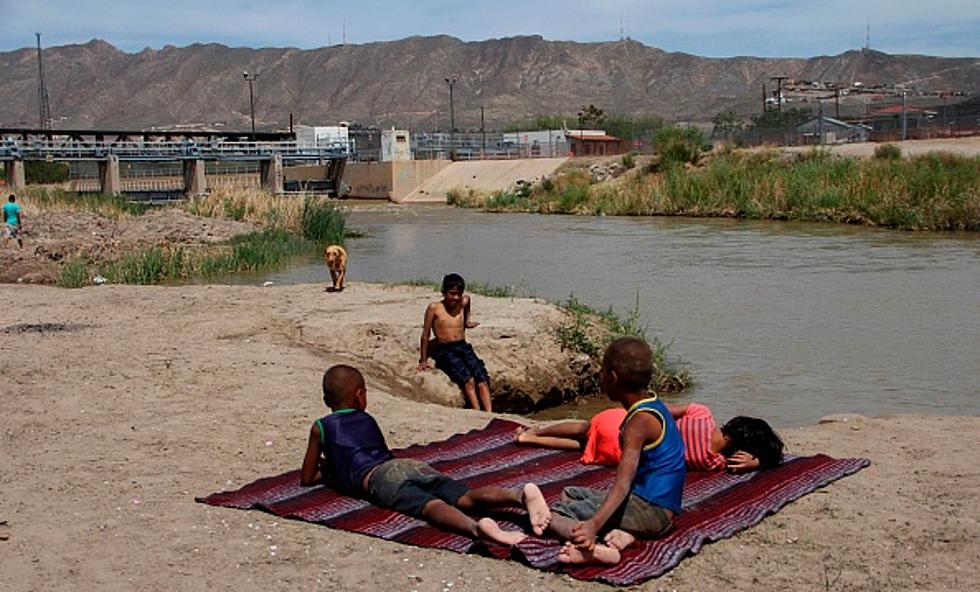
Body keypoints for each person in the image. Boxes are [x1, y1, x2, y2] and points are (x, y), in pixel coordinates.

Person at [300, 364, 551, 546]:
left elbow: (308, 477)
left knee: (431, 507)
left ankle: (475, 528)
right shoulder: (367, 418)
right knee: (464, 496)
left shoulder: (321, 426)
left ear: (326, 399)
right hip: (406, 465)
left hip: (380, 479)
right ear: (360, 395)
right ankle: (519, 495)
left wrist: (330, 470)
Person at [542, 337, 686, 565]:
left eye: (602, 372)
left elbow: (622, 483)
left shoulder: (637, 422)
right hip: (659, 506)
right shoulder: (654, 404)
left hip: (652, 510)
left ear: (611, 377)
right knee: (570, 494)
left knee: (551, 516)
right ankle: (623, 534)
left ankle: (594, 548)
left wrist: (593, 525)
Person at [515, 402, 784, 473]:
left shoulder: (701, 413)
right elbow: (765, 461)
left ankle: (534, 431)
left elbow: (660, 410)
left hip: (629, 426)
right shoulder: (709, 461)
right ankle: (532, 441)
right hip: (622, 455)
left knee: (585, 428)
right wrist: (757, 463)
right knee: (580, 447)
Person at [417, 273, 492, 411]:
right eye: (452, 294)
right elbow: (425, 334)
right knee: (468, 380)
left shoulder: (462, 302)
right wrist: (423, 360)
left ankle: (489, 413)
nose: (455, 298)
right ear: (443, 292)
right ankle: (477, 412)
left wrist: (467, 320)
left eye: (458, 294)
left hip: (463, 346)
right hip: (445, 349)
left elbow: (468, 300)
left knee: (482, 379)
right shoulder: (434, 308)